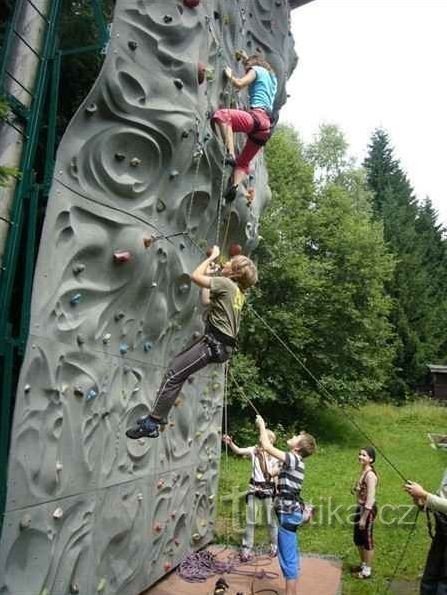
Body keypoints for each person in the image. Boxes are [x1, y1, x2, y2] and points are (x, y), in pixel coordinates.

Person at [126, 245, 257, 439]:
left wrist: (211, 257)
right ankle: (158, 417)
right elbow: (205, 301)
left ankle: (152, 423)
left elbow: (195, 276)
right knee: (176, 373)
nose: (226, 262)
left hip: (214, 344)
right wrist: (211, 272)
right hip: (219, 345)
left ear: (235, 272)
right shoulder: (237, 292)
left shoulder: (227, 284)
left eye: (230, 262)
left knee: (173, 374)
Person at [255, 415, 317, 595]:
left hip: (289, 514)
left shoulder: (293, 459)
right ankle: (305, 515)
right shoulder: (290, 462)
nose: (294, 435)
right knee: (290, 553)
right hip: (289, 512)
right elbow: (269, 473)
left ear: (297, 447)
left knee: (287, 557)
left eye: (297, 435)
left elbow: (268, 445)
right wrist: (262, 457)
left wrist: (262, 425)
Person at [211, 54, 278, 203]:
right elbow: (257, 66)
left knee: (223, 115)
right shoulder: (273, 79)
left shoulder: (255, 69)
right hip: (266, 129)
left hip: (256, 117)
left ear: (253, 65)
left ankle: (230, 154)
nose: (247, 70)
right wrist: (245, 58)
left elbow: (240, 84)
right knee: (243, 163)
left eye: (247, 68)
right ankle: (234, 186)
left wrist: (230, 75)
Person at [222, 430, 280, 560]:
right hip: (254, 489)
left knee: (271, 521)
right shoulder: (254, 450)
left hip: (268, 490)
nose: (261, 439)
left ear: (270, 441)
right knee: (250, 521)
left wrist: (277, 491)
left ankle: (275, 546)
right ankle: (247, 549)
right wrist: (231, 443)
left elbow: (275, 475)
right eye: (261, 437)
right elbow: (238, 451)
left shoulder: (275, 455)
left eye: (265, 437)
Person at [405, 470, 447, 595]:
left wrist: (425, 495)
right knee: (430, 576)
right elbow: (442, 495)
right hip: (442, 530)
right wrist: (423, 503)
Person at [352, 447, 378, 579]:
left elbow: (371, 498)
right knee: (358, 538)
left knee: (367, 539)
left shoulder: (370, 475)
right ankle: (363, 564)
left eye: (364, 455)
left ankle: (367, 570)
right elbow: (362, 490)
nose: (360, 457)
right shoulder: (364, 471)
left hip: (368, 510)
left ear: (371, 459)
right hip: (360, 507)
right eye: (360, 454)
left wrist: (364, 517)